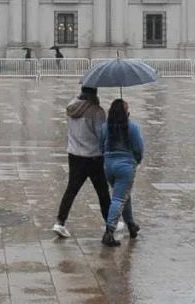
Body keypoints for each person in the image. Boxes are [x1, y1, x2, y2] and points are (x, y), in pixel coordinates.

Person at [52, 86, 113, 239]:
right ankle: (110, 222)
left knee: (71, 189)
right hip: (93, 156)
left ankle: (60, 222)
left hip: (74, 154)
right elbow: (101, 135)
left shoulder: (72, 107)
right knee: (102, 191)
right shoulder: (96, 111)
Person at [100, 99, 143, 247]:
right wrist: (136, 161)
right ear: (126, 113)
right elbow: (139, 149)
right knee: (119, 198)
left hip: (109, 167)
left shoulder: (105, 128)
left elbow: (101, 147)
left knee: (124, 196)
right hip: (125, 167)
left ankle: (131, 225)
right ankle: (109, 231)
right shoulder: (132, 128)